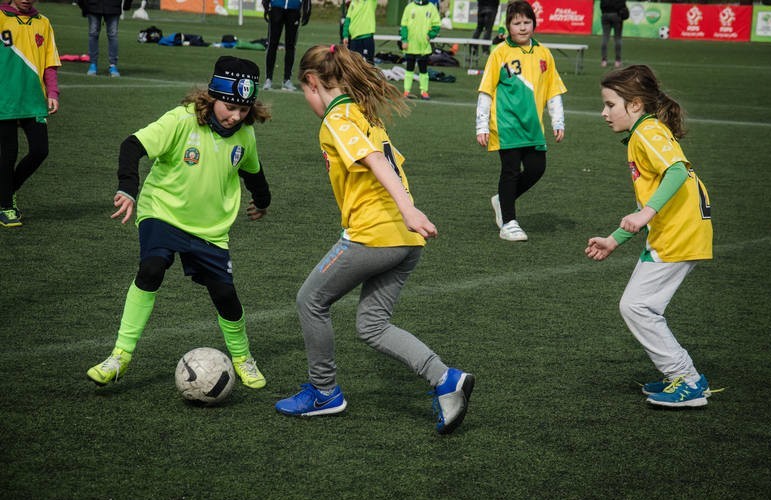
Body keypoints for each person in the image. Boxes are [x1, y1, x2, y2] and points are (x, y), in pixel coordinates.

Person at [275, 44, 474, 435]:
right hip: (405, 240)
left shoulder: (338, 118)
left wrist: (407, 209)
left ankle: (323, 391)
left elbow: (376, 160)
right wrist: (409, 215)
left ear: (313, 82)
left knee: (310, 300)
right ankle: (447, 380)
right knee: (373, 325)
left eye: (304, 91)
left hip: (376, 233)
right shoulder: (366, 116)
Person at [87, 56, 272, 390]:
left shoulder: (244, 135)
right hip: (163, 211)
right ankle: (120, 356)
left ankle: (243, 358)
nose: (236, 116)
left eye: (244, 110)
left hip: (210, 228)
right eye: (230, 107)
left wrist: (262, 201)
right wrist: (128, 189)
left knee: (225, 294)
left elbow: (253, 173)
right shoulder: (181, 120)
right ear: (213, 96)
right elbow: (132, 145)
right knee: (152, 269)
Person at [586, 65, 713, 407]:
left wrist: (646, 213)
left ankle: (686, 379)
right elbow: (654, 195)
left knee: (636, 306)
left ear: (636, 105)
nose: (604, 112)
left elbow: (676, 171)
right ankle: (682, 377)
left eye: (610, 104)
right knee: (641, 306)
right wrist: (614, 239)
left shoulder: (647, 133)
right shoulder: (645, 132)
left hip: (679, 233)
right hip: (675, 231)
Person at [476, 0, 566, 241]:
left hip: (534, 126)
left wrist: (558, 121)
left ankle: (502, 200)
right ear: (508, 26)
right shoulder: (499, 53)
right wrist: (482, 125)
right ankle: (509, 222)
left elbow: (553, 90)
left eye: (527, 22)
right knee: (511, 171)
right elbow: (486, 91)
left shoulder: (543, 53)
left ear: (534, 24)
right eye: (517, 23)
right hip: (506, 125)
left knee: (537, 169)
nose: (523, 27)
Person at [0, 0, 60, 228]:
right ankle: (6, 206)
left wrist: (52, 92)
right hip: (4, 99)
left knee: (40, 150)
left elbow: (50, 62)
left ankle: (5, 190)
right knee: (8, 153)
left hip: (34, 99)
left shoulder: (43, 23)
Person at [261, 0, 311, 91]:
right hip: (276, 7)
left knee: (291, 46)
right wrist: (266, 4)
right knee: (272, 44)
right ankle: (268, 79)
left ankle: (287, 80)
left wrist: (307, 10)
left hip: (294, 9)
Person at [78, 0, 132, 77]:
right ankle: (93, 64)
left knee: (112, 35)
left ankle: (112, 65)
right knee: (94, 34)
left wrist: (127, 3)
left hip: (112, 6)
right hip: (94, 5)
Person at [400, 0, 441, 100]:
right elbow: (404, 25)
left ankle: (424, 92)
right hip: (410, 46)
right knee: (409, 69)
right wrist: (404, 40)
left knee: (423, 70)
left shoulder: (431, 7)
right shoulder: (409, 7)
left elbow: (437, 25)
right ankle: (406, 91)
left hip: (423, 47)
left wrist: (430, 35)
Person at [341, 0, 377, 64]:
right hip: (354, 39)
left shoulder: (369, 2)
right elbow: (347, 20)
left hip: (367, 37)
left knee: (368, 62)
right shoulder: (352, 3)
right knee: (354, 63)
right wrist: (345, 35)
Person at [599, 0, 627, 68]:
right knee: (617, 38)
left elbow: (601, 5)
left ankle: (604, 61)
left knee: (605, 38)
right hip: (616, 15)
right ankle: (617, 61)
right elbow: (622, 4)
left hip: (605, 15)